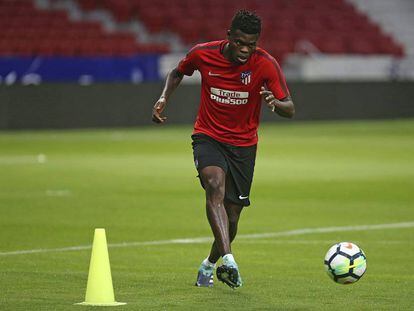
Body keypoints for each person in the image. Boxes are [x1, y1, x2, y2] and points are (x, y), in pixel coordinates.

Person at [152, 9, 295, 289]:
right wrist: (163, 97)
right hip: (208, 135)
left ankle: (209, 264)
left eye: (251, 44)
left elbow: (290, 108)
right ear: (228, 36)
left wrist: (274, 103)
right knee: (214, 185)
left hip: (243, 146)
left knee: (232, 216)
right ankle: (229, 260)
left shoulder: (266, 64)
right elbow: (177, 71)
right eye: (239, 42)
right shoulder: (203, 53)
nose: (244, 49)